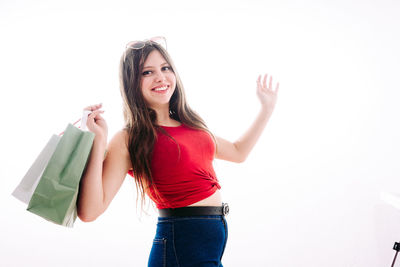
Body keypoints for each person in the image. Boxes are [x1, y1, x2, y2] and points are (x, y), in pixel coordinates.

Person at [77, 36, 279, 267]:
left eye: (165, 68)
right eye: (147, 72)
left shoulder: (192, 126)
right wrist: (98, 140)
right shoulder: (129, 138)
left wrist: (267, 109)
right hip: (179, 247)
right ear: (131, 82)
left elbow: (238, 152)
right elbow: (90, 211)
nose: (160, 77)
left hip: (207, 247)